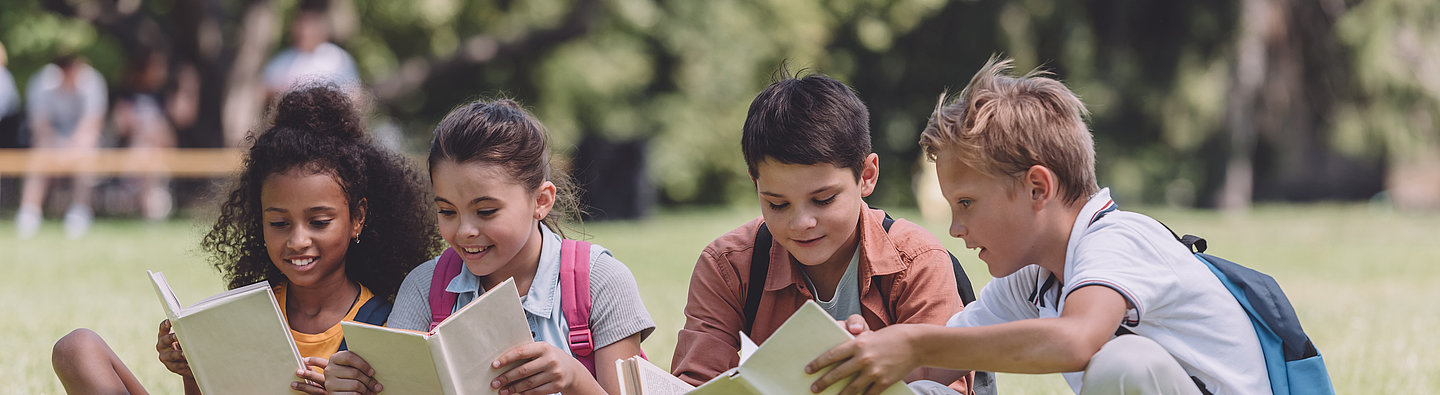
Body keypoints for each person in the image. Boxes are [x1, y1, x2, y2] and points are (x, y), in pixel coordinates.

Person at [803, 56, 1270, 395]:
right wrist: (864, 363)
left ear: (1037, 189)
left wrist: (916, 339)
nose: (956, 229)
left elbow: (1075, 340)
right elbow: (933, 364)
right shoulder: (1035, 277)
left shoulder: (1120, 239)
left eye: (966, 203)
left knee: (1125, 364)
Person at [50, 84, 443, 394]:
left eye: (319, 222)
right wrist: (193, 367)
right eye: (279, 223)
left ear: (357, 218)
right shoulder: (252, 312)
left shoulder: (384, 324)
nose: (298, 240)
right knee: (77, 348)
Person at [669, 71, 974, 394]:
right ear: (755, 184)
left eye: (823, 200)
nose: (801, 223)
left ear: (867, 175)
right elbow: (696, 383)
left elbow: (944, 385)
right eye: (777, 204)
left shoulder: (917, 261)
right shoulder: (728, 266)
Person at [324, 99, 655, 395]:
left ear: (541, 201)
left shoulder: (600, 281)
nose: (466, 231)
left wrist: (574, 379)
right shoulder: (425, 288)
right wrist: (354, 385)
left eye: (486, 212)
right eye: (447, 211)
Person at [15, 55, 107, 239]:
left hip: (80, 144)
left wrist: (72, 148)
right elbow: (40, 127)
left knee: (86, 155)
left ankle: (79, 213)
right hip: (51, 142)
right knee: (40, 154)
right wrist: (58, 148)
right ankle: (29, 213)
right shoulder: (42, 82)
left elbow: (91, 125)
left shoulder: (93, 82)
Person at [262, 0, 360, 100]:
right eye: (302, 23)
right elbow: (263, 91)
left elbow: (354, 95)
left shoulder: (340, 60)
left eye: (311, 24)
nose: (305, 30)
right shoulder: (281, 60)